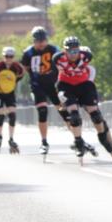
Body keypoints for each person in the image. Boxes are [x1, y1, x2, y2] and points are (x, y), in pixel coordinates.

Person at [53, 36, 112, 161]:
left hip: (84, 85)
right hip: (66, 86)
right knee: (74, 116)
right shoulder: (58, 59)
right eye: (70, 51)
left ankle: (104, 139)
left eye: (76, 51)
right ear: (64, 51)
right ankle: (78, 142)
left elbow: (90, 80)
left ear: (80, 50)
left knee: (97, 116)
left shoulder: (87, 57)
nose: (73, 54)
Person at [21, 26, 70, 156]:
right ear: (34, 41)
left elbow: (62, 64)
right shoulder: (28, 53)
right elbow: (25, 68)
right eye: (38, 41)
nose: (42, 43)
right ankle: (44, 141)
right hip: (38, 86)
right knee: (42, 111)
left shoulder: (54, 50)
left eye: (43, 40)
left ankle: (77, 138)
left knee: (63, 111)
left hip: (53, 85)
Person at [0, 46, 25, 153]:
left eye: (11, 57)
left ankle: (11, 138)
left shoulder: (17, 67)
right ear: (3, 56)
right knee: (1, 115)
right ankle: (0, 135)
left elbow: (22, 74)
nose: (9, 59)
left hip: (10, 93)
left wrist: (14, 82)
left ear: (13, 57)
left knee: (12, 115)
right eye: (7, 56)